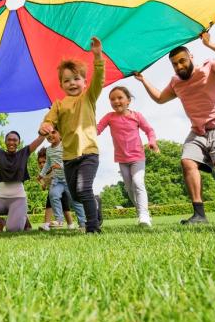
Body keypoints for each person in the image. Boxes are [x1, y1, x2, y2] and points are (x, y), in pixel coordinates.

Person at [134, 33, 215, 224]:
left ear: (191, 58)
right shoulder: (175, 82)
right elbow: (160, 99)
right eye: (175, 64)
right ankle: (199, 215)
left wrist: (210, 44)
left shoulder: (211, 68)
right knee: (187, 162)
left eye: (182, 61)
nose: (179, 66)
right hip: (198, 131)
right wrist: (144, 79)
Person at [39, 37, 105, 233]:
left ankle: (93, 228)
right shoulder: (59, 104)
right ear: (61, 85)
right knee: (76, 196)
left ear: (85, 82)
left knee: (83, 189)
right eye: (67, 80)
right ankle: (95, 202)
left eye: (76, 79)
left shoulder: (89, 97)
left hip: (88, 153)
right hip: (68, 157)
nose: (72, 83)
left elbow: (99, 79)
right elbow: (49, 120)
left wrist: (98, 56)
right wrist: (45, 126)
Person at [97, 86, 159, 227]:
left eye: (120, 98)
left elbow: (149, 130)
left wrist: (152, 142)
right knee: (130, 189)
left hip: (137, 157)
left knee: (138, 182)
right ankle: (142, 212)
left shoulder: (136, 116)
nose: (116, 101)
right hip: (122, 159)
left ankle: (144, 215)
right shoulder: (109, 117)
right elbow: (98, 129)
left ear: (128, 101)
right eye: (112, 99)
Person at [38, 130, 86, 231]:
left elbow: (73, 159)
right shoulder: (49, 150)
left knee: (75, 201)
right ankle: (59, 219)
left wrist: (60, 165)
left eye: (53, 132)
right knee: (53, 194)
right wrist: (41, 175)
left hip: (69, 178)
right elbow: (47, 164)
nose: (50, 135)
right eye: (47, 134)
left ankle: (83, 223)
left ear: (60, 134)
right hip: (57, 180)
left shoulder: (64, 146)